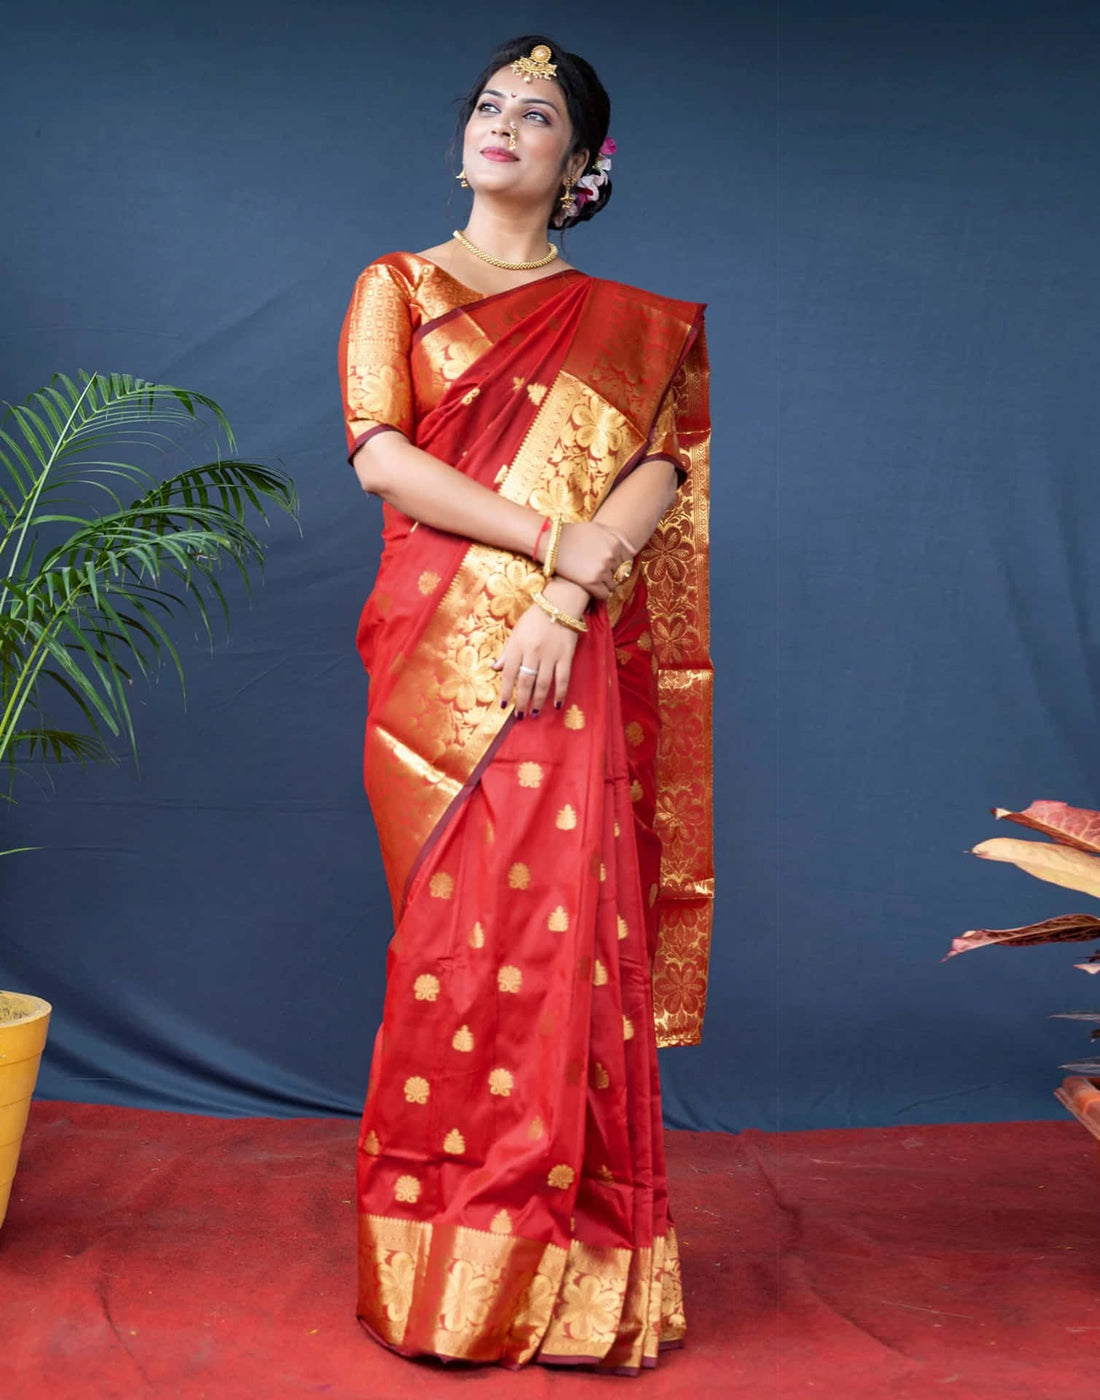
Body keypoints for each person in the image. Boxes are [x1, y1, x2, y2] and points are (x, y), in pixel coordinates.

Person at [337, 33, 714, 1376]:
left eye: (536, 113)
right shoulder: (397, 284)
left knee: (566, 954)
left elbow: (658, 475)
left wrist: (564, 603)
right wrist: (552, 552)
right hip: (440, 666)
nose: (504, 123)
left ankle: (580, 1283)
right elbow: (384, 457)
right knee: (453, 954)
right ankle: (451, 1277)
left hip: (567, 662)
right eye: (490, 104)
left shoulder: (636, 325)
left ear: (579, 162)